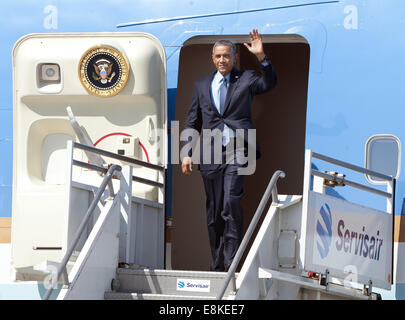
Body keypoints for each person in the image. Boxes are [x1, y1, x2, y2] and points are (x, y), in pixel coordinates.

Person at [181, 29, 277, 272]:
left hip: (238, 148)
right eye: (218, 56)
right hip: (210, 153)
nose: (222, 60)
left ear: (234, 58)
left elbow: (269, 83)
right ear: (212, 58)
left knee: (231, 202)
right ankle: (217, 266)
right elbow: (193, 121)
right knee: (214, 213)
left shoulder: (245, 78)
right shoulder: (201, 85)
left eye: (226, 56)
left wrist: (262, 58)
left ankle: (231, 264)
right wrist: (185, 151)